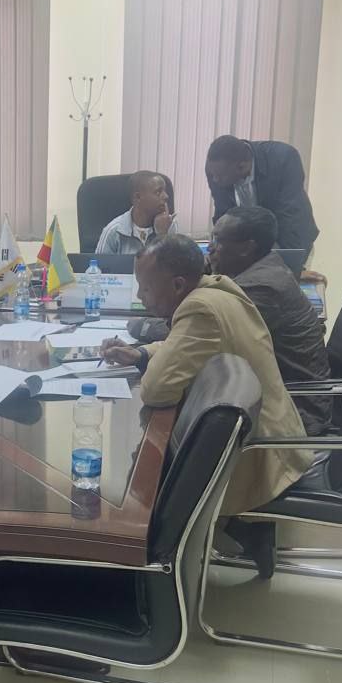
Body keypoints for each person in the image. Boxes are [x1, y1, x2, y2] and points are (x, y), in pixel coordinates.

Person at [102, 235, 312, 575]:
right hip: (277, 430)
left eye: (146, 287)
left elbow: (156, 390)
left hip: (258, 452)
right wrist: (140, 354)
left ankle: (137, 551)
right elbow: (182, 345)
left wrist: (151, 364)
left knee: (140, 471)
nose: (140, 297)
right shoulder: (216, 290)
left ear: (177, 284)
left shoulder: (199, 309)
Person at [209, 207, 331, 435]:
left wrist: (145, 327)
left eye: (218, 240)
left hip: (295, 413)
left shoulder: (260, 287)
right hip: (279, 395)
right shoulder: (270, 265)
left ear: (247, 247)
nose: (210, 248)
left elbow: (206, 334)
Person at [205, 135, 319, 253]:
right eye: (213, 175)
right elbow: (223, 212)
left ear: (242, 167)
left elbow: (290, 216)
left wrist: (285, 258)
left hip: (292, 239)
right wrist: (218, 245)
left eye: (220, 176)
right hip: (249, 246)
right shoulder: (217, 169)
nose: (215, 180)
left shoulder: (283, 159)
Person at [96, 171, 177, 254]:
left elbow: (175, 261)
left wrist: (162, 235)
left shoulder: (168, 225)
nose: (166, 196)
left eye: (165, 191)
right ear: (138, 197)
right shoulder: (114, 230)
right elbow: (97, 262)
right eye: (158, 192)